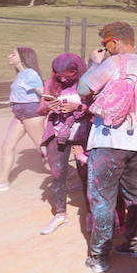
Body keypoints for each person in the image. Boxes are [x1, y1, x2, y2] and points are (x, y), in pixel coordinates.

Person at [77, 21, 137, 273]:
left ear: (114, 41)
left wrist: (94, 63)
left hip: (108, 139)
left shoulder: (111, 63)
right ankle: (134, 244)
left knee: (102, 198)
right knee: (134, 194)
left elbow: (83, 88)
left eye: (106, 43)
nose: (106, 48)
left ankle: (99, 256)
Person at [38, 53, 93, 235]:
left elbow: (96, 109)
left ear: (77, 71)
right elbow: (40, 109)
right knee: (57, 174)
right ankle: (60, 213)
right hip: (57, 132)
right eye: (58, 75)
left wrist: (77, 107)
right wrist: (49, 107)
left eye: (67, 76)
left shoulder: (88, 82)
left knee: (87, 174)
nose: (62, 79)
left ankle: (91, 213)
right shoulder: (51, 83)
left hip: (82, 134)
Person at [0, 47, 46, 195]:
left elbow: (43, 92)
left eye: (13, 54)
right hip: (19, 114)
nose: (9, 56)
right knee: (7, 145)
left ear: (23, 57)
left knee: (43, 148)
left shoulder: (30, 74)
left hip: (31, 113)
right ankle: (2, 182)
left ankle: (67, 177)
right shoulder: (21, 74)